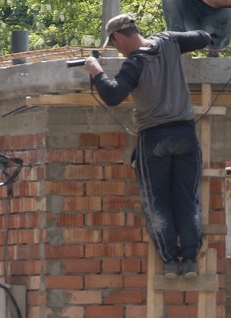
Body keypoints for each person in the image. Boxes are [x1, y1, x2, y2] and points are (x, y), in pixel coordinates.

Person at [85, 14, 211, 276]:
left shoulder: (134, 63)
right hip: (186, 134)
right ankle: (190, 261)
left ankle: (169, 262)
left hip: (154, 139)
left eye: (114, 44)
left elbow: (112, 95)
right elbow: (203, 37)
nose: (117, 50)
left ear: (119, 37)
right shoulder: (167, 41)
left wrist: (95, 70)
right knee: (187, 200)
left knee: (158, 204)